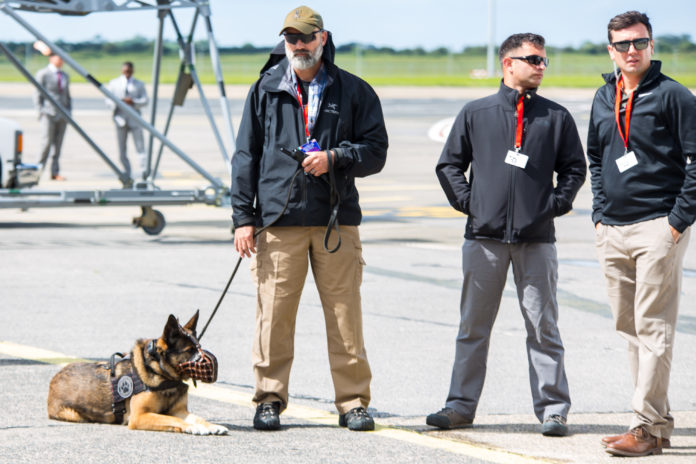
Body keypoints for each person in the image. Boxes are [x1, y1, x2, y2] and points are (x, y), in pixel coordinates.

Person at [231, 5, 388, 432]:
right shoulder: (264, 90)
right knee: (274, 317)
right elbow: (245, 156)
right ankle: (269, 398)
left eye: (305, 37)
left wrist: (335, 157)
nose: (297, 45)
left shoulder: (354, 90)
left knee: (345, 317)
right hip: (277, 224)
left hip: (336, 222)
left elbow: (376, 151)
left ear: (322, 38)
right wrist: (242, 218)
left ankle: (353, 402)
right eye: (291, 38)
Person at [428, 33, 586, 437]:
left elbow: (574, 168)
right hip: (483, 239)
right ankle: (459, 406)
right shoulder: (476, 113)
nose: (540, 66)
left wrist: (554, 205)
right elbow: (449, 165)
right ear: (508, 64)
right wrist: (471, 203)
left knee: (543, 326)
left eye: (544, 60)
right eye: (533, 59)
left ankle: (553, 409)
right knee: (473, 328)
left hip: (537, 241)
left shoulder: (556, 116)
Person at [587, 11, 696, 457]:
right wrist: (598, 212)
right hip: (612, 227)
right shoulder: (603, 95)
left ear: (652, 46)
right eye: (623, 44)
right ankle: (653, 421)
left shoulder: (674, 96)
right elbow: (596, 158)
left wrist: (675, 222)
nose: (632, 50)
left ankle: (647, 428)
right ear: (611, 50)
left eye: (640, 42)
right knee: (630, 329)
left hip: (657, 225)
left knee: (653, 327)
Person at [106, 61, 149, 180]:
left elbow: (145, 100)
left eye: (129, 72)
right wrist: (118, 102)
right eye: (125, 71)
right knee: (122, 149)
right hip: (120, 119)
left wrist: (133, 102)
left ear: (132, 71)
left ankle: (144, 172)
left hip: (135, 120)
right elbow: (108, 101)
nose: (127, 74)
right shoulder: (114, 83)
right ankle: (127, 173)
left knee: (140, 147)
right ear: (122, 71)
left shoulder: (139, 84)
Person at [35, 52, 71, 181]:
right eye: (59, 57)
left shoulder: (65, 75)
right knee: (46, 143)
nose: (62, 60)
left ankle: (55, 172)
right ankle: (38, 171)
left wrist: (69, 112)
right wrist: (40, 112)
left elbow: (67, 95)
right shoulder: (43, 74)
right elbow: (37, 94)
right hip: (48, 113)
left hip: (63, 115)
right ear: (52, 58)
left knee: (58, 145)